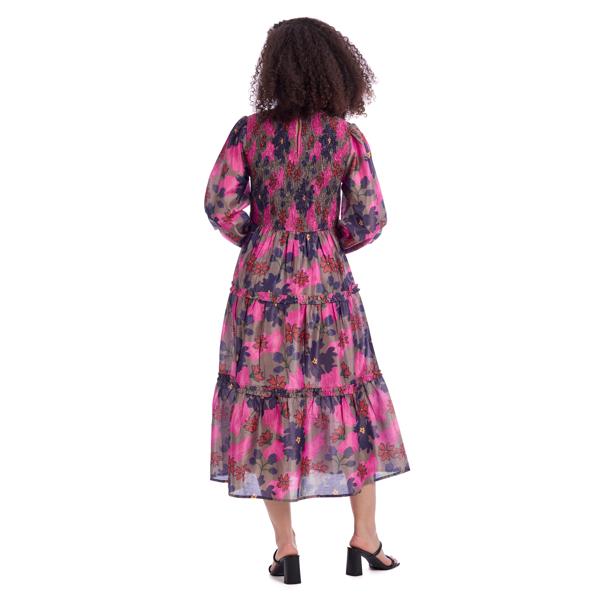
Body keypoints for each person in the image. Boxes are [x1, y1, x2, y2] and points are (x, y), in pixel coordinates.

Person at [204, 17, 410, 583]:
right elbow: (370, 217)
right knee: (350, 397)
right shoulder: (346, 138)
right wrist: (324, 243)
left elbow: (219, 203)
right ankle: (365, 537)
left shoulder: (249, 133)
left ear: (274, 68)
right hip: (326, 282)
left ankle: (287, 547)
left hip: (261, 285)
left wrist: (262, 241)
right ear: (336, 69)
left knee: (269, 401)